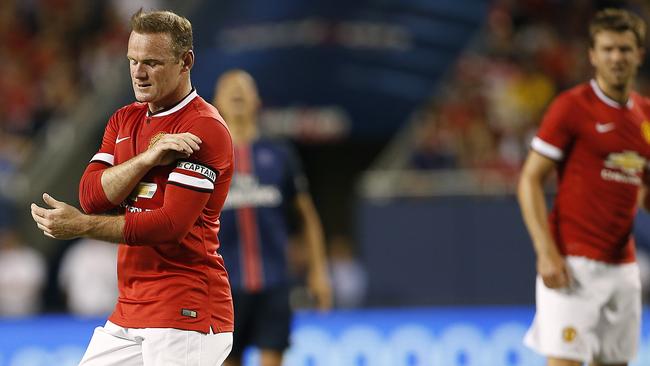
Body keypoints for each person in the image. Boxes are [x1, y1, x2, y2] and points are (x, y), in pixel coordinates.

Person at [29, 9, 234, 366]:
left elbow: (169, 226)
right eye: (132, 60)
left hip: (186, 311)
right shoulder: (125, 118)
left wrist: (82, 227)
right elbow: (91, 196)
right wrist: (147, 160)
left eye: (152, 63)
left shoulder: (205, 128)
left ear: (186, 62)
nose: (138, 72)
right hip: (130, 309)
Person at [518, 8, 650, 366]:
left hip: (623, 268)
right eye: (607, 49)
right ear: (592, 55)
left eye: (624, 49)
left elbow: (644, 190)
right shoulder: (572, 107)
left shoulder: (646, 116)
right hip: (573, 265)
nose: (616, 57)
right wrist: (545, 251)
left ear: (639, 54)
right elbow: (530, 179)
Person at [213, 69, 332, 366]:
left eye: (245, 86)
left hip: (275, 281)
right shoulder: (205, 158)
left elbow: (307, 216)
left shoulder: (280, 154)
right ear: (216, 102)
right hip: (223, 286)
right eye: (230, 87)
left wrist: (319, 272)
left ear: (257, 101)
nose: (237, 90)